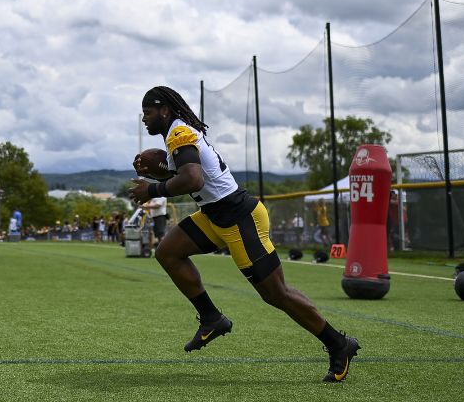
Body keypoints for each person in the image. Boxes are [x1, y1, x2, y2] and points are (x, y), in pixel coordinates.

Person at [129, 86, 360, 383]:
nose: (144, 119)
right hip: (215, 215)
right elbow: (191, 177)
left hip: (239, 217)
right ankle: (212, 318)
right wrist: (163, 175)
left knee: (277, 294)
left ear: (164, 110)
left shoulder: (179, 132)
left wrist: (153, 189)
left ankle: (339, 344)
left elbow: (193, 178)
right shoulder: (176, 133)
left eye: (148, 113)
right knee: (168, 252)